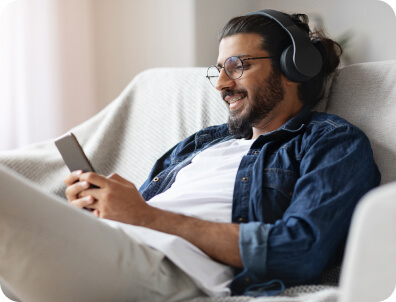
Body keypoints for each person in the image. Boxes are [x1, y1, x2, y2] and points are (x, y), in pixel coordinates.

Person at [0, 9, 380, 302]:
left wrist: (143, 215)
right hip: (109, 247)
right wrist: (97, 208)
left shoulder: (332, 142)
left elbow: (300, 251)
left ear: (293, 68)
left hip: (160, 269)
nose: (221, 84)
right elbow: (139, 212)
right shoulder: (201, 143)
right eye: (218, 69)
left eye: (237, 66)